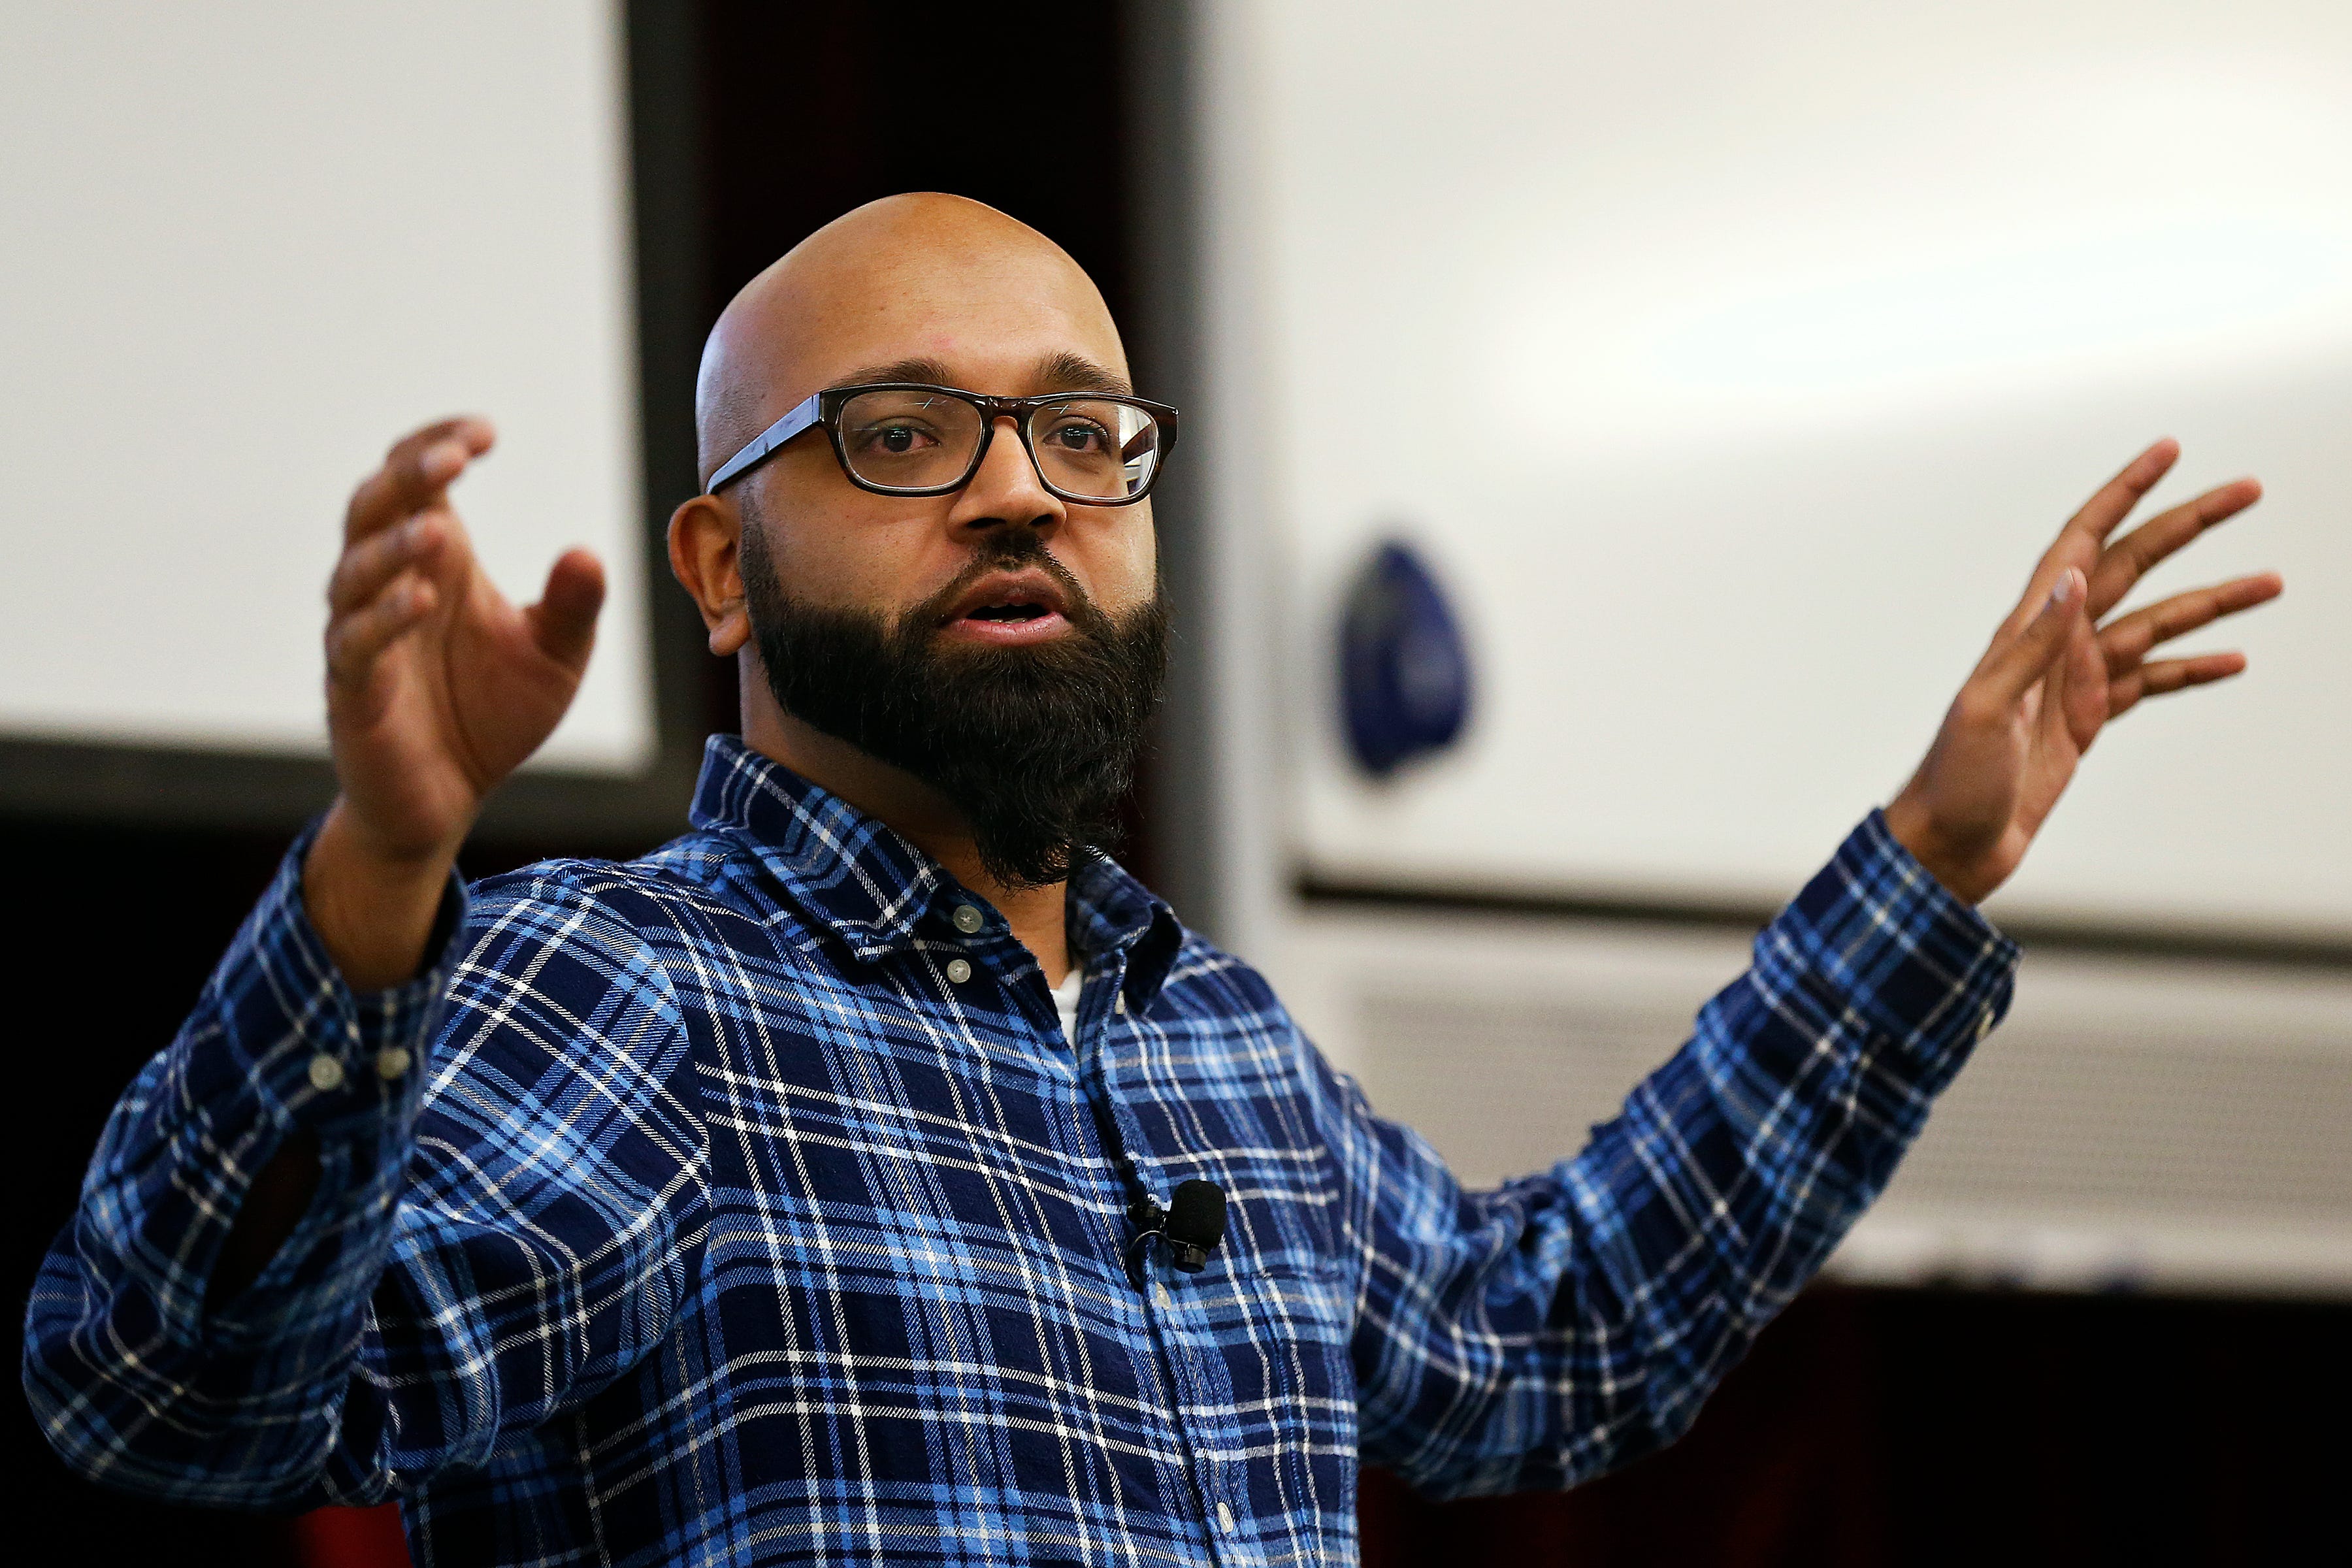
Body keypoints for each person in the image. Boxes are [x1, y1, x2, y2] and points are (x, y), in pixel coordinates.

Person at [24, 193, 2281, 1568]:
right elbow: (173, 1402)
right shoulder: (638, 993)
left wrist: (1934, 860)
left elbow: (1546, 1340)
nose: (1020, 491)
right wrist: (386, 857)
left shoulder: (1208, 1038)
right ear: (722, 561)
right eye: (903, 436)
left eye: (1084, 432)